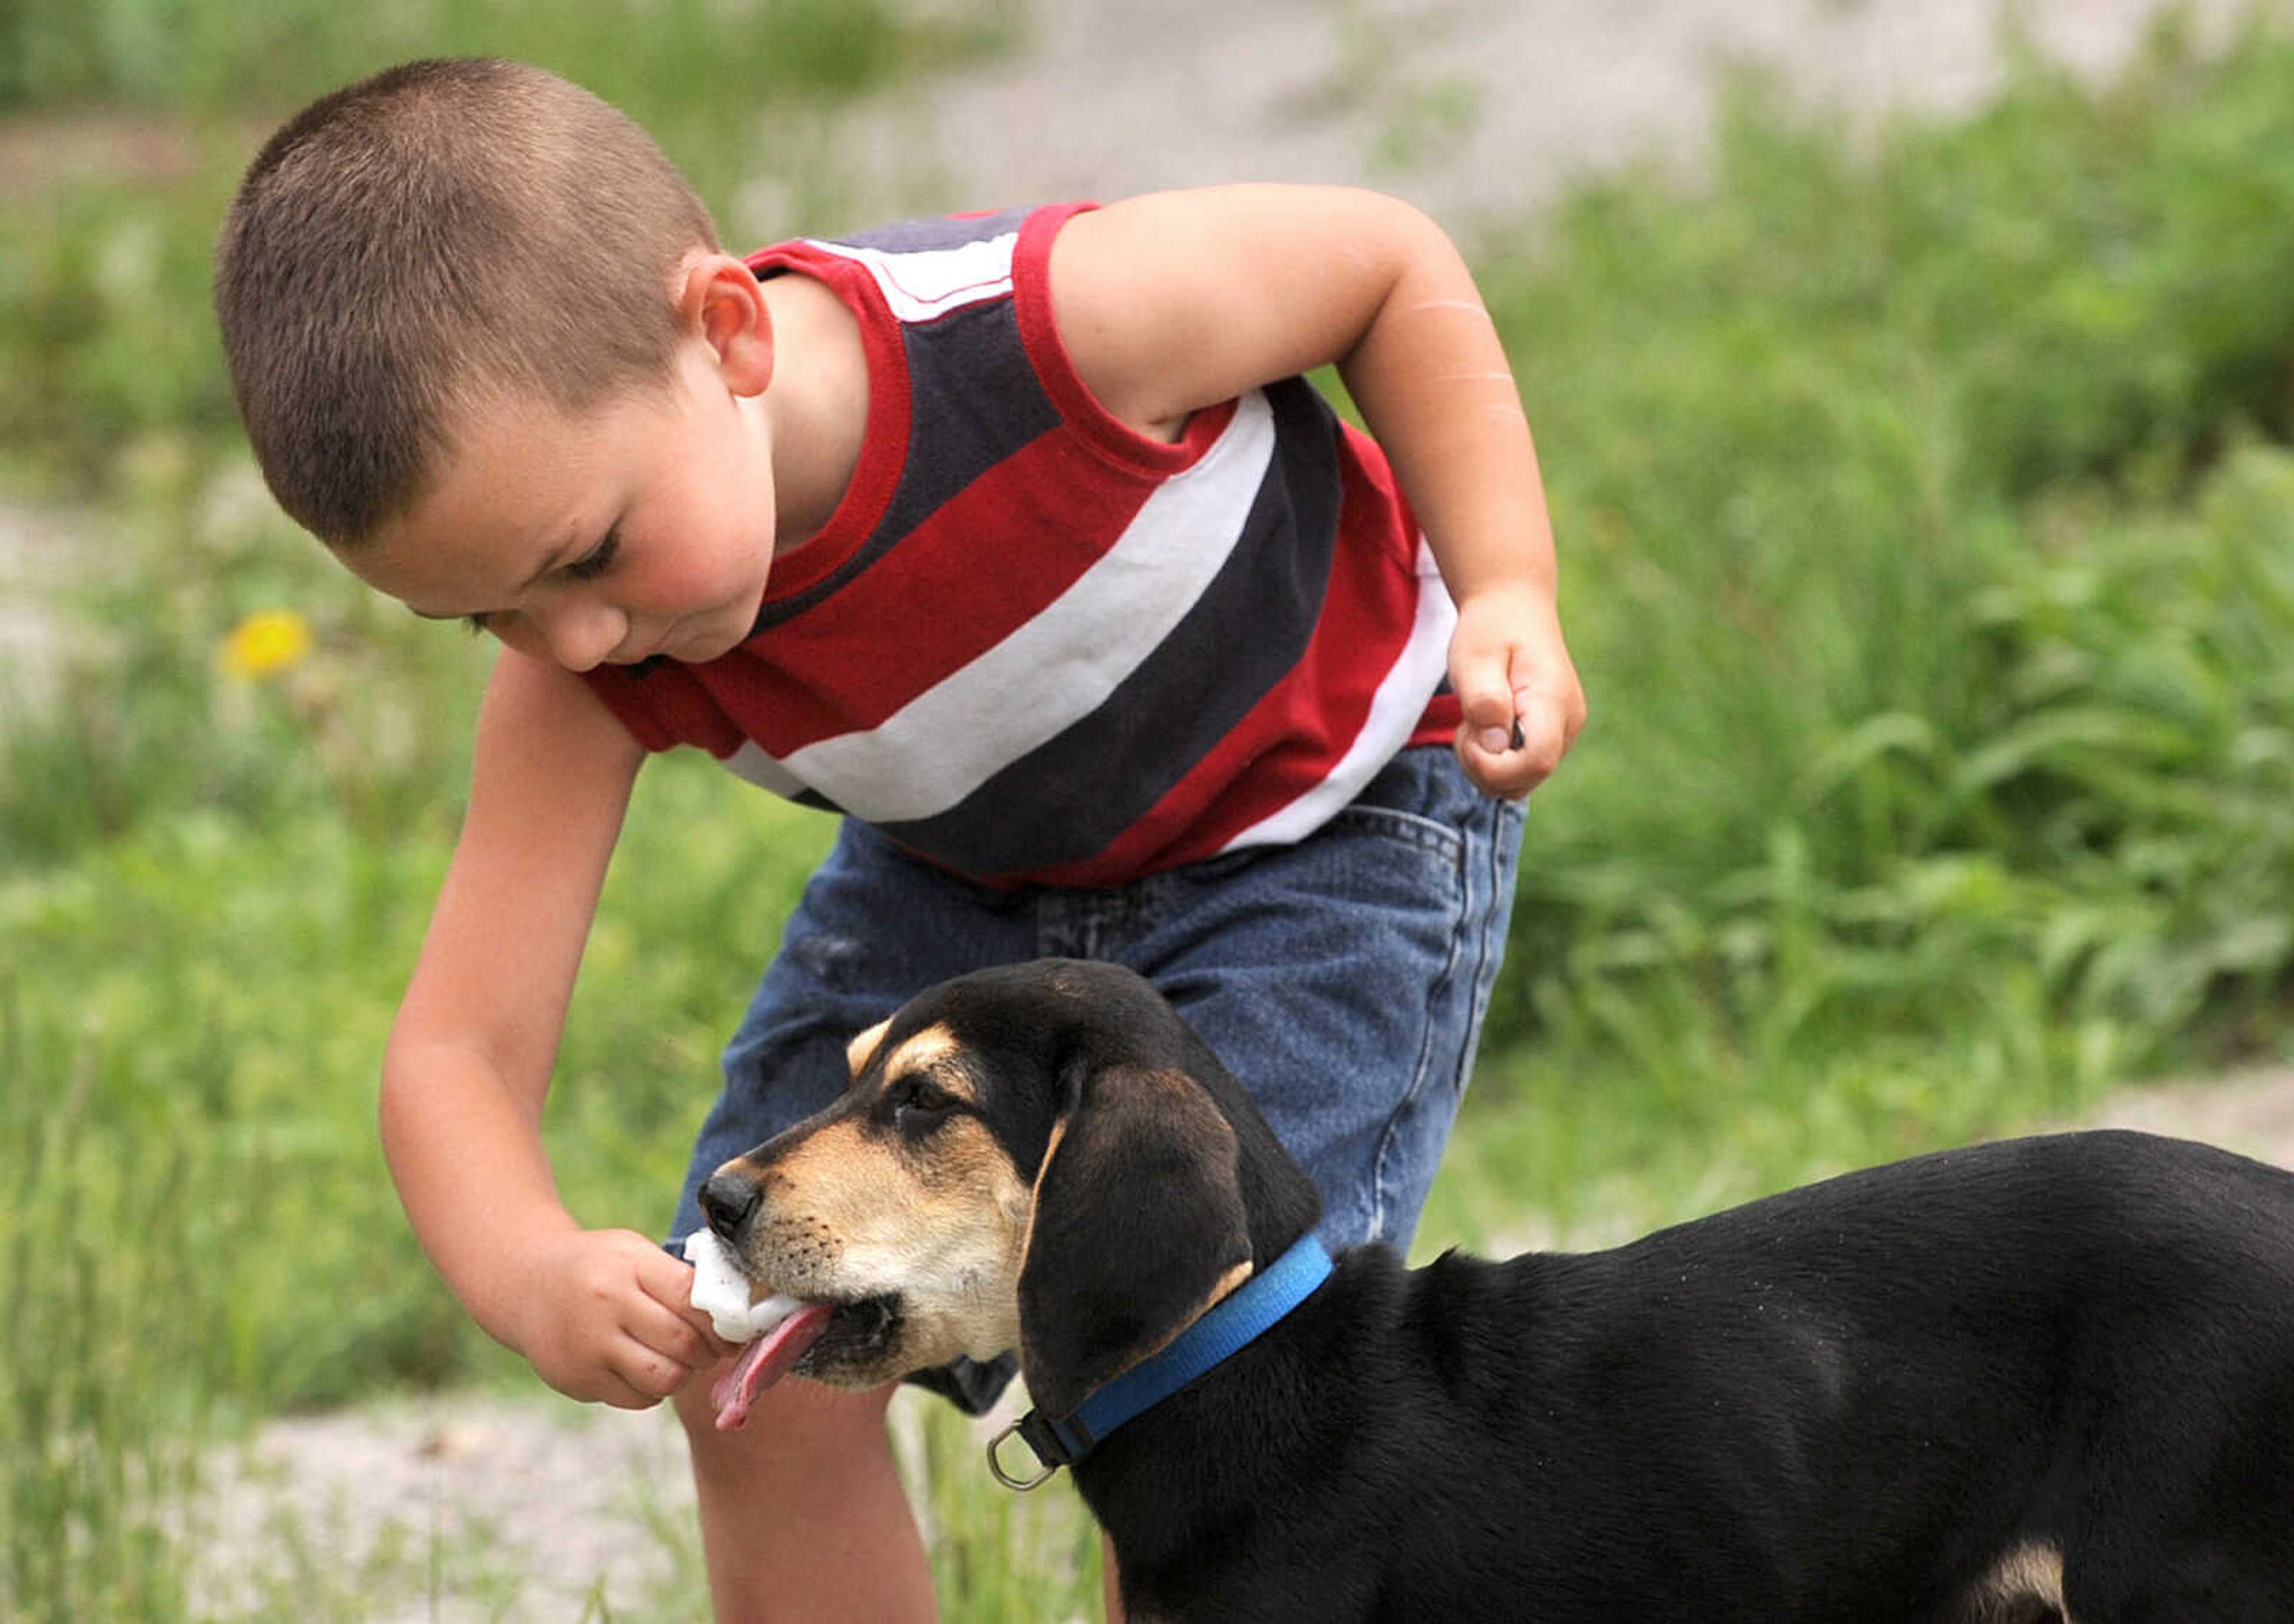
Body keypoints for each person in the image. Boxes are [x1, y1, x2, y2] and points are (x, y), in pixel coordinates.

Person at [214, 56, 1584, 1623]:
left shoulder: (1052, 334)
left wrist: (1512, 586)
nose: (579, 642)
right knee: (761, 1340)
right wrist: (533, 1271)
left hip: (1321, 830)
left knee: (1208, 1368)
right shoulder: (581, 673)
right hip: (968, 888)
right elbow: (453, 1054)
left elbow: (1383, 265)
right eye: (487, 618)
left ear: (725, 330)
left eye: (588, 555)